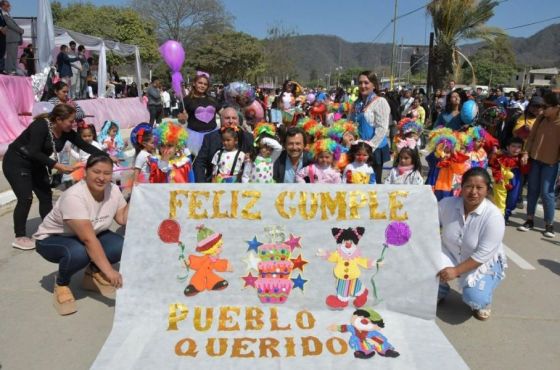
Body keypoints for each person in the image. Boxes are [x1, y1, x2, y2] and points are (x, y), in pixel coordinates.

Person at [2, 104, 106, 250]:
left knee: (45, 196)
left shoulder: (66, 131)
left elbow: (84, 145)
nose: (73, 124)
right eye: (70, 121)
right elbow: (33, 151)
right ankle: (20, 237)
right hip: (17, 162)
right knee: (25, 198)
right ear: (58, 119)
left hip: (37, 164)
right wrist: (58, 166)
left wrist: (106, 157)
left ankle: (48, 229)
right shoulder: (40, 126)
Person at [34, 154, 128, 315]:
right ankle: (62, 284)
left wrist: (134, 195)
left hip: (91, 234)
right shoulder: (74, 196)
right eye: (96, 172)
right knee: (79, 252)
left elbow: (122, 218)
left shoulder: (113, 190)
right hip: (53, 239)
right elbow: (88, 239)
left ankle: (92, 273)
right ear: (86, 172)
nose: (101, 178)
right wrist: (109, 271)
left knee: (121, 245)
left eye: (107, 173)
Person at [437, 167, 507, 321]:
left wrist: (455, 271)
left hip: (482, 262)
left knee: (475, 299)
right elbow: (428, 224)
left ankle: (483, 301)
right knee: (423, 265)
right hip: (452, 252)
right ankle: (439, 291)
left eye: (479, 187)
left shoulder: (494, 216)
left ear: (487, 190)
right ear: (461, 187)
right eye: (469, 186)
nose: (473, 192)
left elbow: (482, 255)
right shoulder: (446, 204)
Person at [517, 92, 560, 238]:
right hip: (535, 160)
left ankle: (549, 224)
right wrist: (525, 153)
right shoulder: (541, 119)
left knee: (547, 193)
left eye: (545, 107)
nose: (542, 110)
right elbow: (531, 138)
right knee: (532, 190)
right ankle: (529, 220)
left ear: (556, 107)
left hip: (551, 163)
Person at [193, 107, 253, 182]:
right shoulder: (210, 138)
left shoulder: (248, 137)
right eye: (227, 118)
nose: (231, 121)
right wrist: (202, 184)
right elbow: (200, 163)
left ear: (238, 120)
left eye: (234, 118)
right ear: (221, 120)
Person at [351, 71, 391, 183]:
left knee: (372, 183)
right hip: (358, 149)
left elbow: (382, 128)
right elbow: (350, 124)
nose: (363, 86)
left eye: (366, 82)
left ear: (374, 85)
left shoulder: (380, 102)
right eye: (360, 83)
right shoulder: (356, 103)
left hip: (374, 149)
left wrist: (369, 149)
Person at [182, 73, 221, 156]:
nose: (202, 86)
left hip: (213, 135)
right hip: (194, 137)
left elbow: (223, 112)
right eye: (200, 83)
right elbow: (181, 120)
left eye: (205, 84)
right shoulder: (187, 100)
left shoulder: (212, 99)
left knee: (212, 162)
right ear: (194, 83)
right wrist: (182, 119)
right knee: (197, 163)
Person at [0, 1, 22, 75]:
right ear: (2, 6)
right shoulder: (3, 14)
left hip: (8, 37)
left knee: (7, 54)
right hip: (6, 37)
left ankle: (6, 69)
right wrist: (21, 30)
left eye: (9, 5)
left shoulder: (7, 14)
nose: (9, 7)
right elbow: (9, 25)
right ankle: (8, 70)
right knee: (9, 55)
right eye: (7, 5)